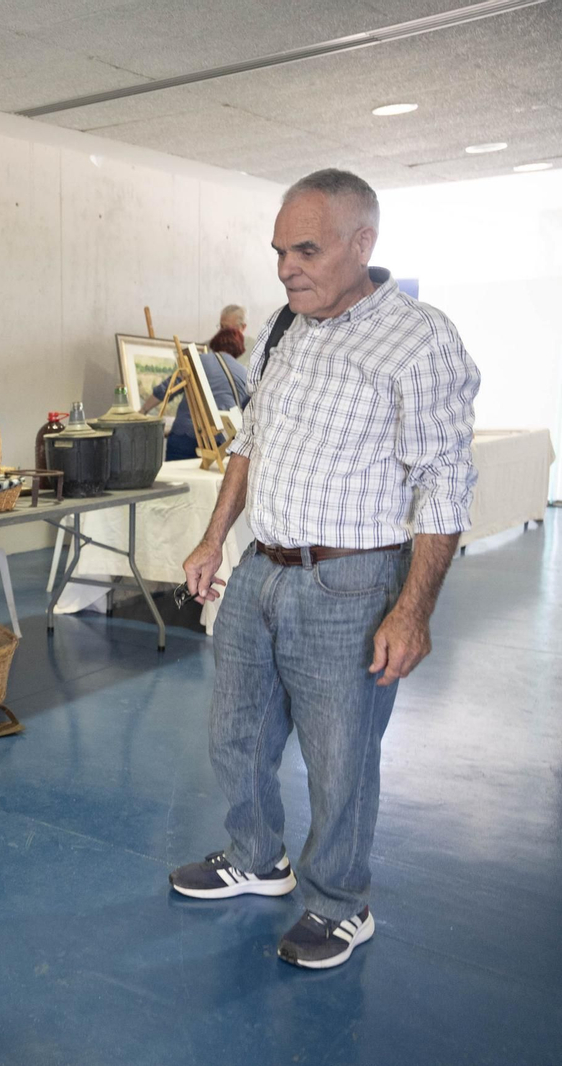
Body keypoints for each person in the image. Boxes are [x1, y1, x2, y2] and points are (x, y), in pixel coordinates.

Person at [169, 169, 479, 968]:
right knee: (235, 732)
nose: (285, 267)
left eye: (305, 249)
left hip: (351, 583)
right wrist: (213, 541)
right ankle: (255, 857)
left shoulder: (420, 338)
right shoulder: (282, 326)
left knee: (341, 757)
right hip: (259, 570)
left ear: (362, 243)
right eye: (278, 250)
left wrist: (412, 612)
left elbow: (446, 480)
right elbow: (248, 442)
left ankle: (340, 902)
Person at [141, 326, 250, 462]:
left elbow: (167, 389)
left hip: (184, 434)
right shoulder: (245, 373)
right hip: (219, 441)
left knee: (176, 481)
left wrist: (143, 411)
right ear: (239, 349)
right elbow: (248, 411)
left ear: (215, 342)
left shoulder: (197, 361)